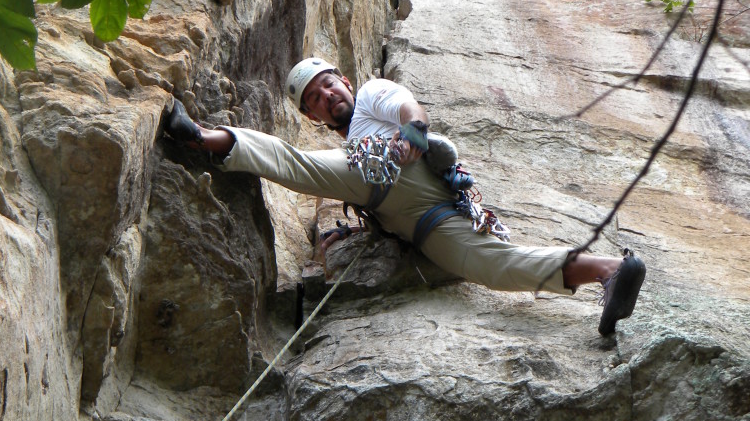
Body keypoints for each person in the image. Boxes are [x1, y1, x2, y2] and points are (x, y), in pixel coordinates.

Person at [164, 57, 646, 336]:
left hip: (403, 168)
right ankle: (609, 271)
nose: (326, 96)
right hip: (417, 218)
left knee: (296, 163)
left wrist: (413, 133)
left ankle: (203, 139)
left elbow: (408, 107)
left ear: (345, 81)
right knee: (493, 266)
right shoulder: (344, 140)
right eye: (314, 98)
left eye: (328, 84)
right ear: (312, 116)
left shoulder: (372, 95)